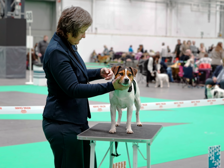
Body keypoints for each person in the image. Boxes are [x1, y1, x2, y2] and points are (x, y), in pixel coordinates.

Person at [42, 6, 129, 168]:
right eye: (82, 31)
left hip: (76, 121)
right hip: (62, 125)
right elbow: (73, 88)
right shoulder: (56, 51)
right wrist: (111, 86)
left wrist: (99, 73)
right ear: (70, 30)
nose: (84, 35)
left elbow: (74, 73)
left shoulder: (67, 45)